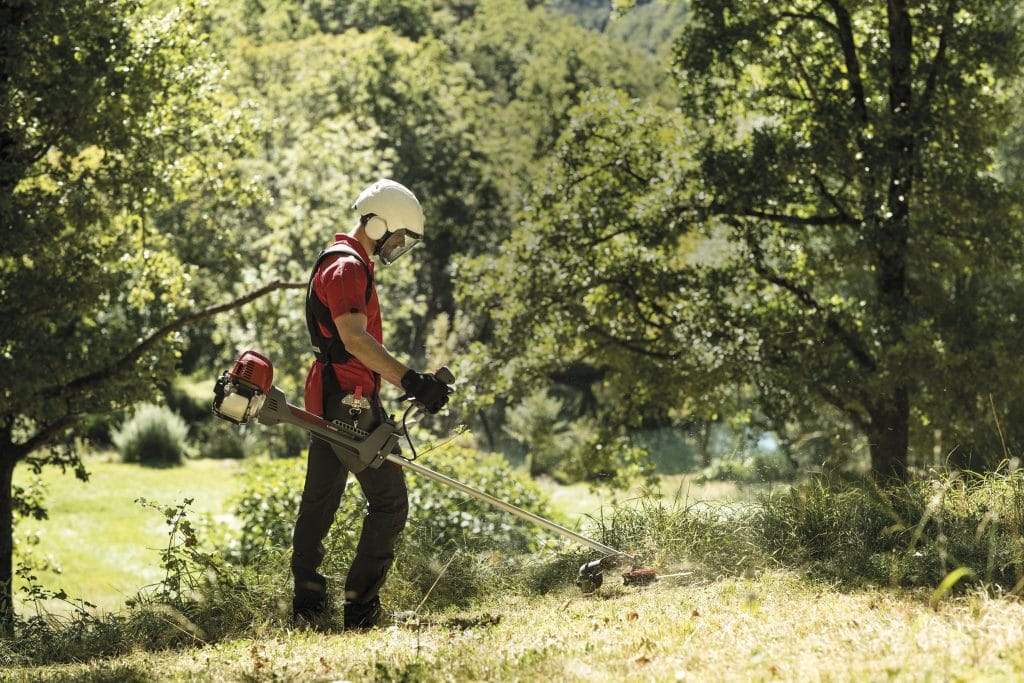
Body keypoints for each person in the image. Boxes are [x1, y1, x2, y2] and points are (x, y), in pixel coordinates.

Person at [292, 178, 451, 629]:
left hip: (329, 394)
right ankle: (361, 610)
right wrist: (413, 381)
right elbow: (354, 339)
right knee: (389, 502)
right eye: (398, 239)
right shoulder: (348, 268)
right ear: (378, 223)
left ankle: (308, 609)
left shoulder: (344, 260)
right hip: (349, 400)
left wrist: (405, 381)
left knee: (319, 502)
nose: (397, 248)